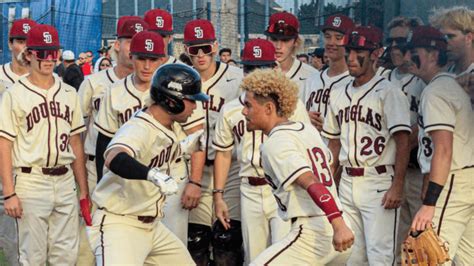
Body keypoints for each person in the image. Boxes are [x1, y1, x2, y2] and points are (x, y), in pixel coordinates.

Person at [87, 64, 208, 265]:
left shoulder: (166, 125)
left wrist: (183, 148)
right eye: (191, 100)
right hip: (120, 226)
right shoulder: (139, 127)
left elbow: (155, 151)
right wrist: (151, 175)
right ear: (172, 101)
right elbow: (114, 157)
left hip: (153, 228)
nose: (195, 106)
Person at [238, 69, 354, 265]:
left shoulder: (276, 142)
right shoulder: (306, 129)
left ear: (268, 108)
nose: (244, 111)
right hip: (334, 222)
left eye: (249, 105)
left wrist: (338, 223)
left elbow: (310, 181)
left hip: (314, 231)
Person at [212, 38, 311, 264]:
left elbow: (304, 149)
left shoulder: (292, 106)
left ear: (274, 69)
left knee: (284, 257)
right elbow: (224, 153)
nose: (255, 74)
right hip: (249, 188)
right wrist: (218, 195)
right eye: (249, 68)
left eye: (262, 67)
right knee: (253, 257)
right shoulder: (231, 109)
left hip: (282, 188)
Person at [0, 24, 90, 265]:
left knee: (65, 256)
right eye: (42, 53)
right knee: (32, 257)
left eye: (53, 53)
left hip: (64, 182)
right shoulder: (14, 94)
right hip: (30, 180)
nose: (49, 59)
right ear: (29, 54)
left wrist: (83, 190)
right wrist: (9, 193)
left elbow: (76, 143)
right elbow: (4, 144)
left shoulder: (69, 92)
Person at [322, 26, 411, 265]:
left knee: (380, 256)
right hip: (348, 183)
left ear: (376, 53)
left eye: (359, 51)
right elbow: (334, 143)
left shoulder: (388, 92)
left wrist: (398, 185)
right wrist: (329, 185)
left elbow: (403, 141)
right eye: (349, 50)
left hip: (379, 181)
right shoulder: (337, 92)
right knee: (352, 256)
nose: (351, 57)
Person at [76, 16, 148, 265]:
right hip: (97, 169)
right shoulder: (93, 82)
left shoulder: (155, 85)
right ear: (117, 44)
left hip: (141, 171)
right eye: (129, 40)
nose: (133, 46)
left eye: (139, 41)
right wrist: (82, 184)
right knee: (90, 244)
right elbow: (78, 131)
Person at [404, 25, 474, 265]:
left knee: (428, 259)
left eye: (415, 51)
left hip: (452, 182)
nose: (407, 57)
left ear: (434, 55)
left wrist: (429, 203)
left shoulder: (436, 91)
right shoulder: (452, 84)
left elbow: (443, 150)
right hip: (465, 178)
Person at [183, 19, 243, 265]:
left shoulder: (237, 78)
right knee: (195, 242)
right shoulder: (180, 76)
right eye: (194, 49)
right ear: (186, 49)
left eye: (205, 48)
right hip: (192, 169)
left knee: (227, 241)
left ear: (216, 46)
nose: (200, 55)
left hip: (230, 169)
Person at [384, 16, 426, 263]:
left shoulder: (423, 80)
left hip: (416, 171)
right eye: (391, 41)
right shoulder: (384, 77)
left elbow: (423, 129)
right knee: (391, 239)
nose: (395, 47)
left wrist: (400, 140)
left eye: (402, 41)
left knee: (418, 240)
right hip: (386, 171)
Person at [0, 17, 36, 266]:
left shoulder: (46, 80)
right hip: (3, 158)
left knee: (33, 233)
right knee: (9, 233)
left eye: (27, 41)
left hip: (31, 164)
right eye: (19, 40)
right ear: (10, 43)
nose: (23, 47)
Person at [303, 14, 354, 132]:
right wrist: (304, 117)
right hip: (312, 147)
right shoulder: (312, 79)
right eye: (328, 36)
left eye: (338, 37)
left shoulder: (354, 82)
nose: (331, 42)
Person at [264, 11, 318, 100]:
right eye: (274, 39)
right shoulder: (256, 72)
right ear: (267, 39)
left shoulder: (312, 76)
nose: (278, 46)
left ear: (296, 42)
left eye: (285, 40)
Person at [430, 6, 474, 107]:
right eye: (442, 37)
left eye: (450, 36)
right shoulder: (445, 72)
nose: (445, 42)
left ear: (469, 37)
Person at [0, 19, 36, 92]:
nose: (26, 47)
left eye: (31, 42)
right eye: (21, 42)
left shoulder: (48, 79)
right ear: (10, 44)